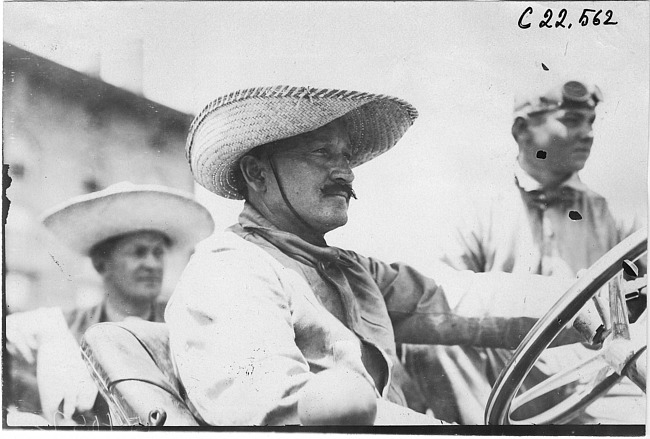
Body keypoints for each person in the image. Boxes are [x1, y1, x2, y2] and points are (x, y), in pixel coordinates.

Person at [165, 85, 587, 426]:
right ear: (257, 173)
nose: (344, 173)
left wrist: (591, 298)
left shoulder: (352, 271)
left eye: (346, 156)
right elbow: (275, 406)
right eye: (321, 153)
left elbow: (459, 301)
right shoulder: (231, 268)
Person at [401, 79, 647, 424]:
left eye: (591, 122)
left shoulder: (614, 214)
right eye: (572, 120)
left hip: (595, 376)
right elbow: (441, 304)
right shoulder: (478, 207)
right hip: (508, 377)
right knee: (428, 342)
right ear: (522, 129)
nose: (589, 133)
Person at [5, 182, 215, 426]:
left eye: (158, 253)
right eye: (138, 252)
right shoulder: (61, 328)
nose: (152, 264)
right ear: (101, 264)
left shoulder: (181, 325)